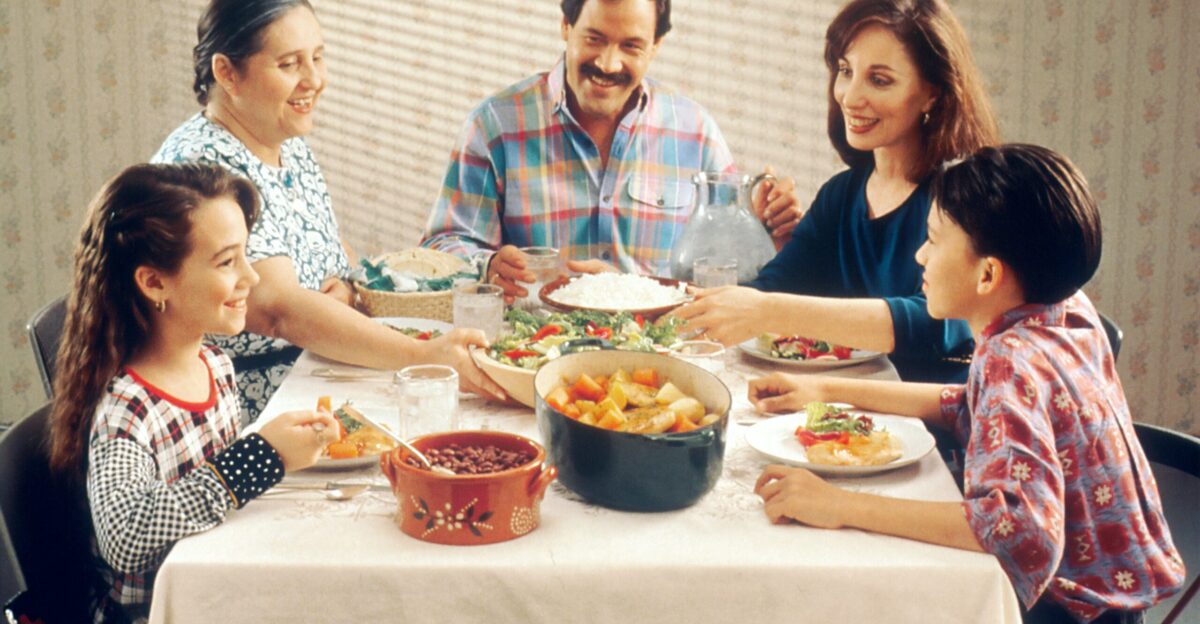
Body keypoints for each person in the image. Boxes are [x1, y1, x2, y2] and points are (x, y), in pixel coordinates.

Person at [751, 145, 1185, 624]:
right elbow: (974, 404)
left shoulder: (1011, 360)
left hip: (1063, 610)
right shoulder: (1067, 312)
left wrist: (836, 504)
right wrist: (828, 391)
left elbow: (1016, 528)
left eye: (933, 241)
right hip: (1118, 604)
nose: (920, 254)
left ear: (988, 274)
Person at [152, 0, 503, 422]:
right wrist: (423, 356)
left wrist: (352, 290)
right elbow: (278, 310)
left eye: (317, 57)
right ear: (227, 73)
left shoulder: (285, 142)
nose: (315, 80)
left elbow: (334, 255)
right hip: (245, 409)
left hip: (317, 374)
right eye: (289, 65)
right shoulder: (204, 170)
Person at [47, 163, 341, 622]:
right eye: (227, 262)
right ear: (154, 282)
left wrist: (282, 451)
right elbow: (125, 536)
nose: (253, 277)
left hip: (222, 587)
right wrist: (261, 458)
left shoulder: (214, 364)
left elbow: (216, 497)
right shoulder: (128, 409)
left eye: (246, 255)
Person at [673, 0, 1000, 383]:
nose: (849, 95)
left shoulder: (963, 199)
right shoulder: (841, 195)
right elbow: (768, 291)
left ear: (933, 93)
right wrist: (627, 297)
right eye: (846, 71)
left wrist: (768, 309)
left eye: (879, 79)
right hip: (845, 417)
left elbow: (934, 322)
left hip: (940, 426)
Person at [420, 0, 802, 302]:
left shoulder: (696, 133)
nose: (608, 63)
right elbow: (441, 247)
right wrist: (487, 266)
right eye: (594, 39)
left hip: (661, 361)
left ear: (655, 47)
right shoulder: (494, 126)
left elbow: (727, 274)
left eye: (631, 46)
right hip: (533, 355)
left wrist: (770, 235)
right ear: (565, 27)